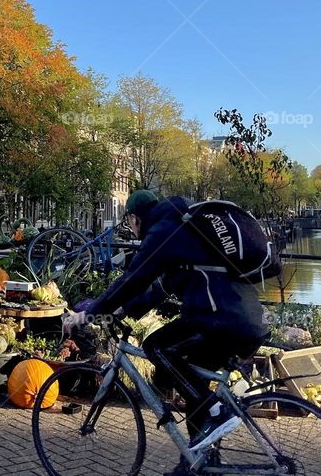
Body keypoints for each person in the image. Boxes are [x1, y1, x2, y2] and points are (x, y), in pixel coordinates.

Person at [64, 190, 268, 476]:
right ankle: (198, 463)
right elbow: (161, 287)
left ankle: (216, 413)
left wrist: (89, 312)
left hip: (219, 318)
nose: (132, 230)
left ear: (135, 218)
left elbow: (133, 278)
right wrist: (122, 312)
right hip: (243, 319)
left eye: (130, 223)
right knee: (191, 383)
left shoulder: (163, 232)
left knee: (156, 346)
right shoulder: (183, 228)